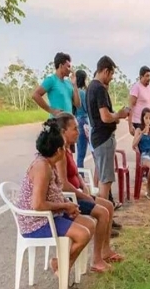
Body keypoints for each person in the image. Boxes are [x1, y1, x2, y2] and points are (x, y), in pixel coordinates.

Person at [16, 119, 94, 277]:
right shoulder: (42, 167)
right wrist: (65, 207)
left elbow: (54, 193)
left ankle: (61, 266)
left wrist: (68, 204)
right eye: (64, 147)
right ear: (58, 150)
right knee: (82, 234)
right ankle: (62, 270)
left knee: (90, 224)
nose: (66, 150)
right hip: (36, 222)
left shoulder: (48, 163)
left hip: (50, 215)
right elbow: (37, 204)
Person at [55, 113, 124, 272]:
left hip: (78, 193)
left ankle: (105, 250)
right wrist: (83, 195)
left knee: (108, 206)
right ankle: (96, 259)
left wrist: (84, 187)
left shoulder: (68, 149)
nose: (78, 132)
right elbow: (63, 184)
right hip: (70, 198)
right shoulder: (60, 153)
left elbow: (75, 173)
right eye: (74, 129)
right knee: (102, 212)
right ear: (63, 131)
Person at [85, 56, 130, 205]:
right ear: (105, 71)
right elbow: (105, 117)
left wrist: (115, 117)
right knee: (105, 181)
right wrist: (120, 115)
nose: (111, 79)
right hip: (103, 139)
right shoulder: (99, 88)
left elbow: (102, 115)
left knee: (102, 179)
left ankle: (104, 217)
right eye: (111, 75)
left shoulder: (91, 87)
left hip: (98, 138)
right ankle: (104, 218)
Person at [32, 52, 80, 117]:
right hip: (56, 123)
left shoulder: (69, 83)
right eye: (68, 66)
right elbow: (35, 95)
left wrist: (75, 85)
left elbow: (78, 104)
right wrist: (51, 110)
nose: (70, 69)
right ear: (61, 66)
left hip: (68, 123)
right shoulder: (51, 80)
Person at [128, 66, 150, 136]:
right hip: (139, 122)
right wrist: (130, 125)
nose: (149, 78)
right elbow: (130, 107)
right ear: (141, 76)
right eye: (147, 76)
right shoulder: (136, 87)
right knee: (141, 145)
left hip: (149, 122)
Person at [74, 70, 89, 168]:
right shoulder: (83, 93)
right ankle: (81, 176)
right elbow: (87, 108)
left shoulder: (73, 92)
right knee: (82, 153)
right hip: (83, 121)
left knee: (79, 153)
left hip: (76, 120)